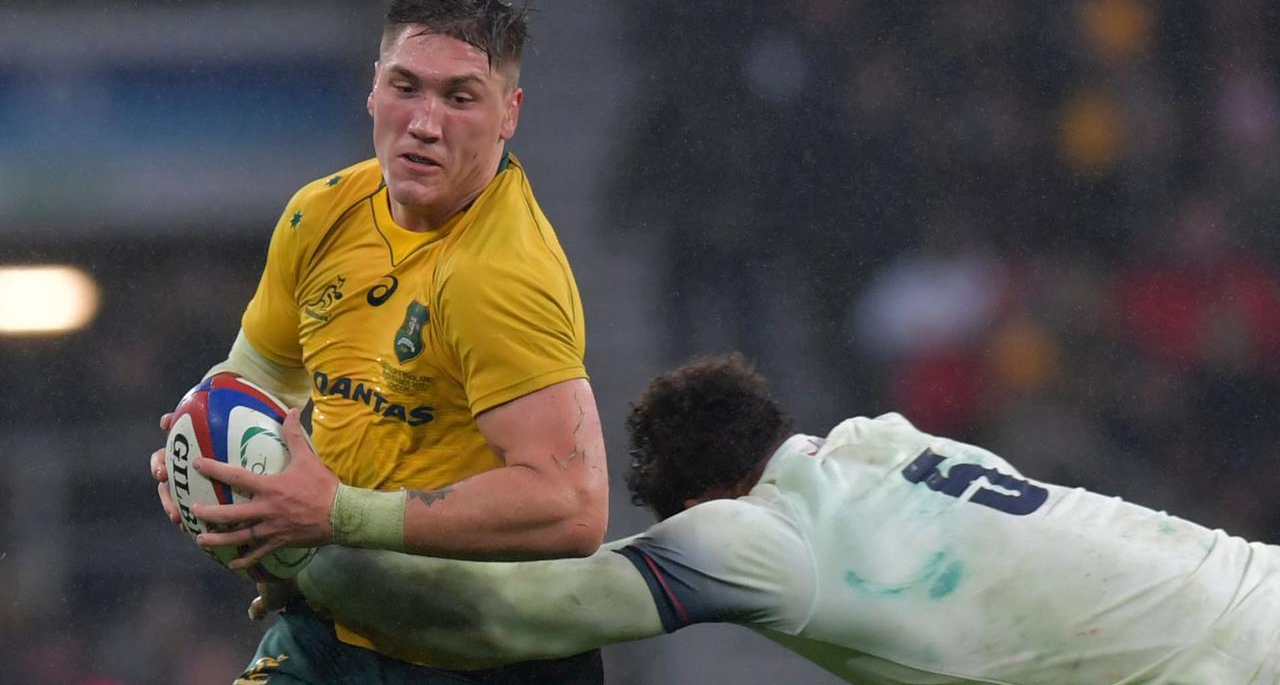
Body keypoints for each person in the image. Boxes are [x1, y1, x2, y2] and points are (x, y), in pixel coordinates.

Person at [265, 353, 1280, 684]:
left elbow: (501, 621)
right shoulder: (881, 443)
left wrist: (314, 545)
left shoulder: (753, 539)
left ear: (695, 503)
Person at [147, 0, 609, 684]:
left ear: (509, 113)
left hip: (484, 657)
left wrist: (336, 513)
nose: (425, 122)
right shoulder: (322, 212)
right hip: (335, 627)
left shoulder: (502, 274)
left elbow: (572, 506)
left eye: (460, 98)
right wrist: (201, 448)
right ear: (372, 86)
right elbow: (255, 374)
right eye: (406, 87)